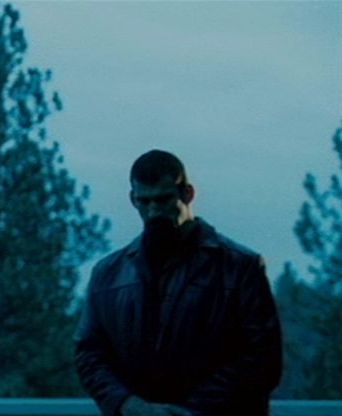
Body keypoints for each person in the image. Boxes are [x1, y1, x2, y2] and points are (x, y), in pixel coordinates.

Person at [74, 150, 282, 416]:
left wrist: (188, 411)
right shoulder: (108, 274)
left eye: (164, 199)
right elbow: (89, 354)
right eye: (144, 201)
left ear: (187, 194)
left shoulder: (239, 267)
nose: (154, 211)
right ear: (133, 200)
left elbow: (263, 359)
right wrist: (127, 404)